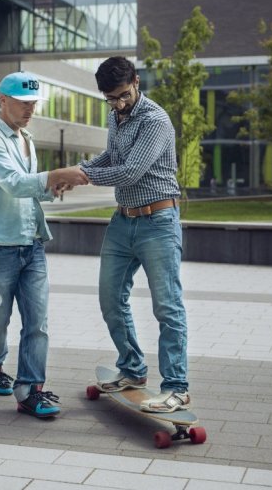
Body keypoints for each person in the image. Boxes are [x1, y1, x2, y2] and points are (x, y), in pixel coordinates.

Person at [0, 70, 88, 418]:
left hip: (31, 243)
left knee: (38, 322)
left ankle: (30, 390)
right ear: (3, 100)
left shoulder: (27, 140)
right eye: (23, 103)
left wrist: (53, 187)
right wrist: (55, 175)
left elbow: (29, 190)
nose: (30, 109)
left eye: (34, 103)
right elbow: (13, 183)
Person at [78, 56, 191, 413]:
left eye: (124, 95)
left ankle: (176, 387)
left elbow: (129, 171)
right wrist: (77, 170)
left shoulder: (155, 119)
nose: (118, 104)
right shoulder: (115, 116)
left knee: (167, 307)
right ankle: (132, 369)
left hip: (158, 221)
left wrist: (80, 176)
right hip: (122, 221)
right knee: (110, 298)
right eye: (111, 98)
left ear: (136, 82)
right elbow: (111, 156)